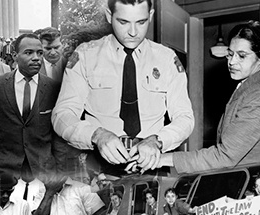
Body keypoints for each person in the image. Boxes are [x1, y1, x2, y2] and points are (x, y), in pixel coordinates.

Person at [52, 0, 194, 175]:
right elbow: (62, 115)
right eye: (123, 22)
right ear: (109, 16)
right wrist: (97, 135)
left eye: (141, 22)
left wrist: (158, 141)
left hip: (152, 166)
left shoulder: (166, 59)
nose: (133, 32)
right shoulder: (85, 56)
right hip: (97, 169)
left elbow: (185, 117)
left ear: (150, 16)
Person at [151, 21, 260, 173]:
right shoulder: (248, 88)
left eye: (241, 56)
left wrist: (162, 159)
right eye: (230, 54)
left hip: (249, 186)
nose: (232, 62)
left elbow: (224, 156)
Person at [0, 33, 60, 180]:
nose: (36, 58)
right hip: (5, 173)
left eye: (39, 53)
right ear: (15, 56)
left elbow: (59, 137)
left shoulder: (52, 88)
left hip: (42, 174)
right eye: (28, 53)